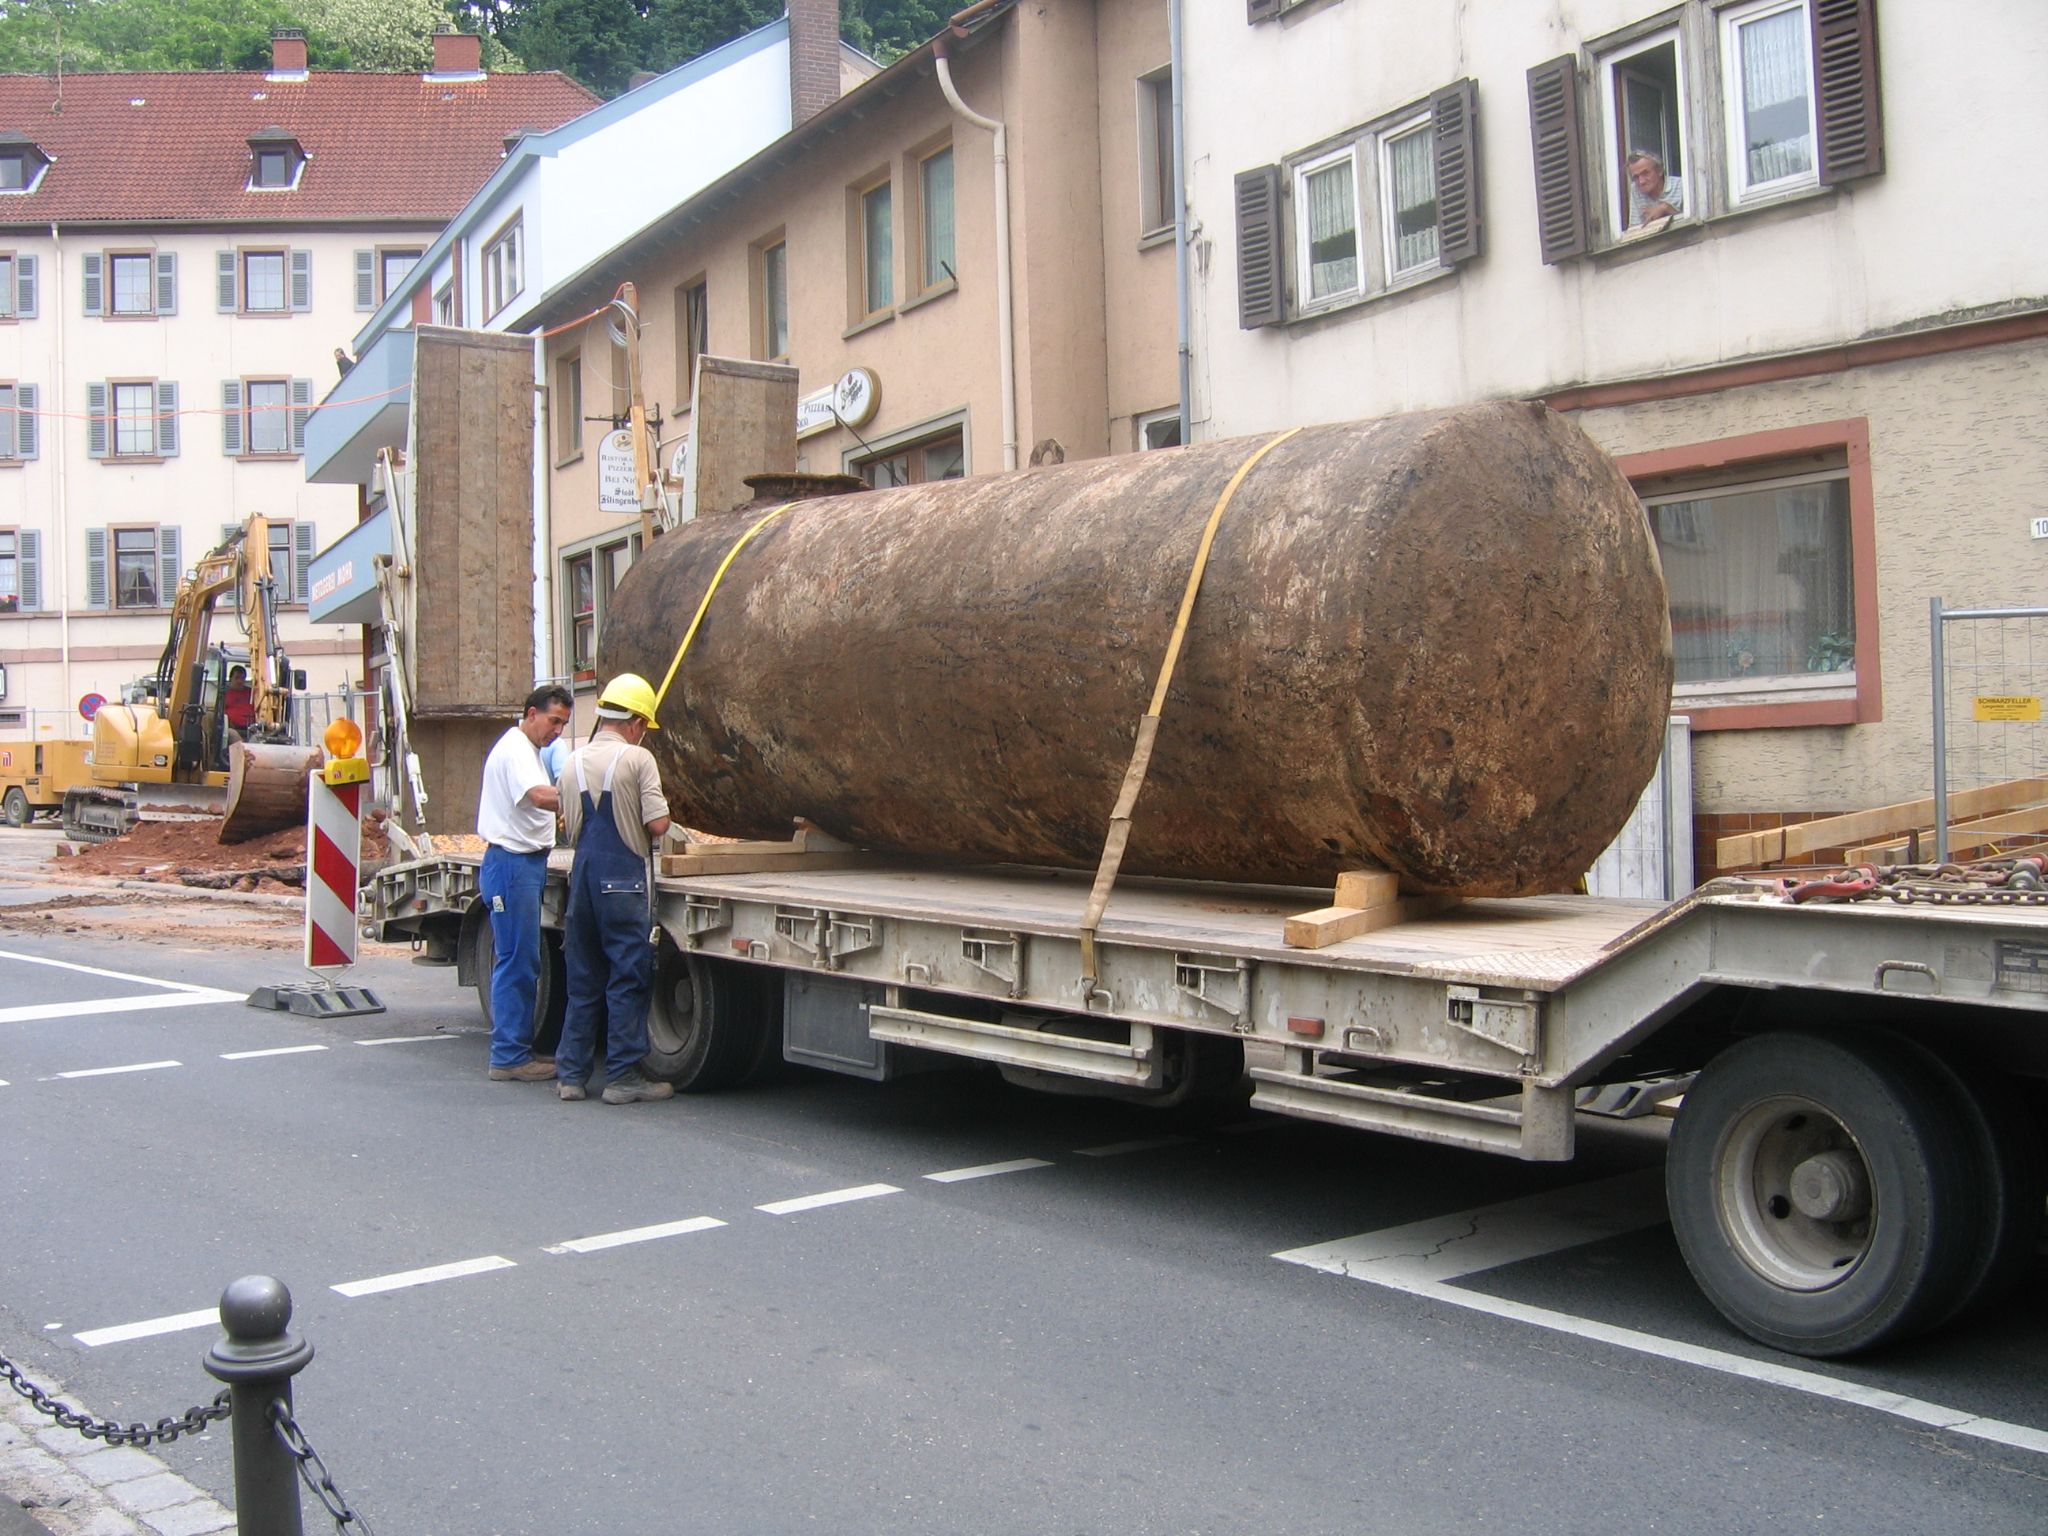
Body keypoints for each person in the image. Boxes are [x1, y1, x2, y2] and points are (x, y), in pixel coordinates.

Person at [553, 673, 674, 1106]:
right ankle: (622, 1076)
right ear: (637, 722)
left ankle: (571, 1076)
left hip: (581, 879)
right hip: (623, 881)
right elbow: (657, 825)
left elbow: (568, 828)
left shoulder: (570, 762)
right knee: (628, 977)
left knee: (582, 980)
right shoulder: (638, 761)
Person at [477, 683, 572, 1082]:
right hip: (511, 865)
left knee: (522, 958)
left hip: (522, 864)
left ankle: (514, 1050)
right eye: (554, 721)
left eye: (564, 724)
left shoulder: (526, 750)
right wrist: (586, 794)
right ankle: (509, 1056)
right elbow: (538, 795)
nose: (557, 732)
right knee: (517, 960)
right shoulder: (516, 749)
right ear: (532, 713)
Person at [1626, 150, 1684, 227]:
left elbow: (1692, 221)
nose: (1641, 181)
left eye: (1645, 173)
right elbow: (1634, 228)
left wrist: (1665, 208)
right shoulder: (1636, 190)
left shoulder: (1681, 185)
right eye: (1636, 177)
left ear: (1659, 171)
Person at [221, 666, 256, 749]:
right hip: (233, 729)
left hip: (252, 729)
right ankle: (244, 752)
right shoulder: (224, 694)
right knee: (231, 733)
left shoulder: (252, 693)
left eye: (242, 678)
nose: (240, 681)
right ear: (230, 679)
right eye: (237, 678)